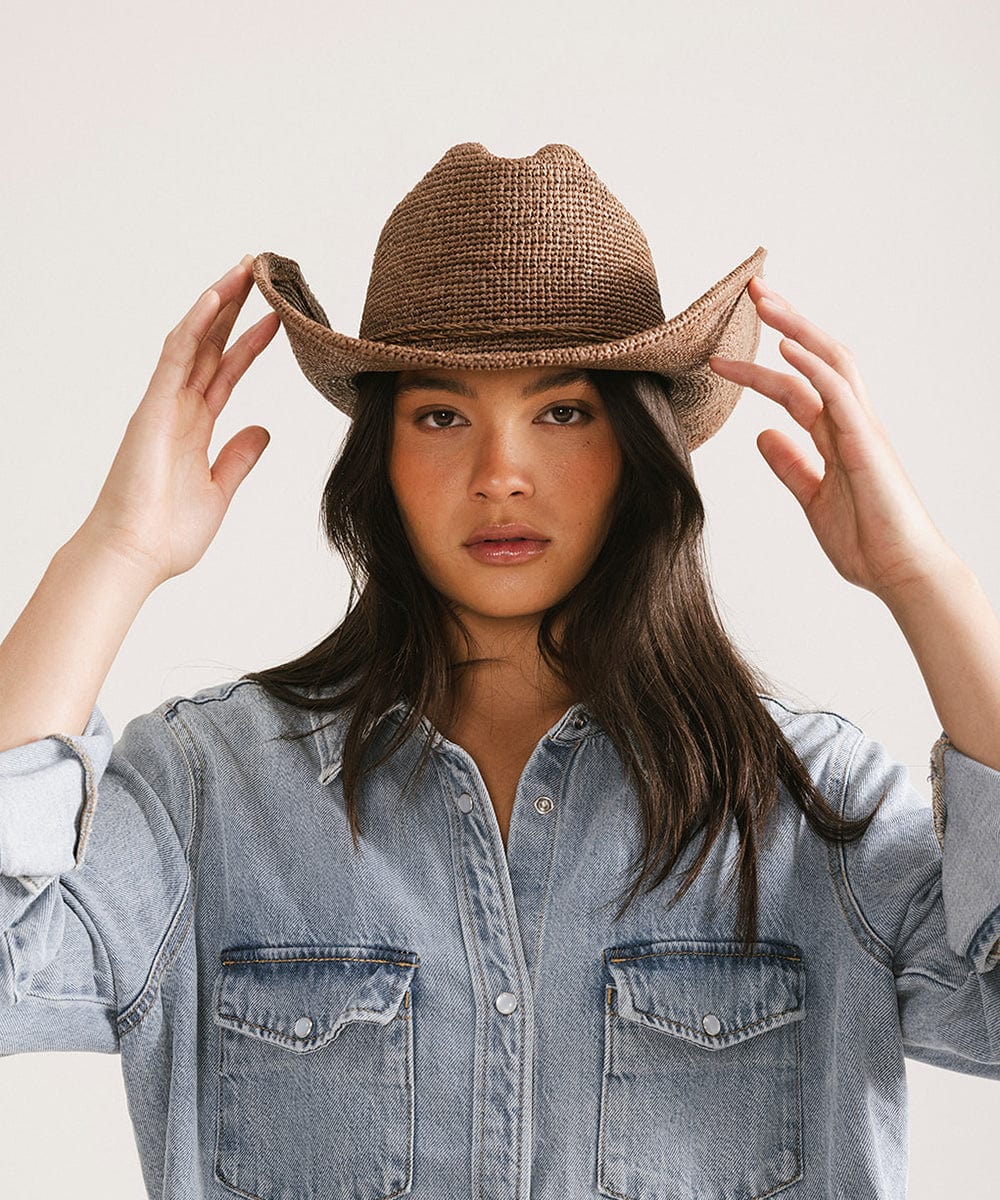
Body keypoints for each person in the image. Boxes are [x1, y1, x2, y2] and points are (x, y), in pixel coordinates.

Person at [0, 142, 997, 1200]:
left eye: (562, 412)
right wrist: (110, 556)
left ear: (637, 447)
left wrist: (920, 577)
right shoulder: (210, 792)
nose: (500, 475)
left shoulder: (806, 802)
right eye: (441, 416)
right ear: (380, 455)